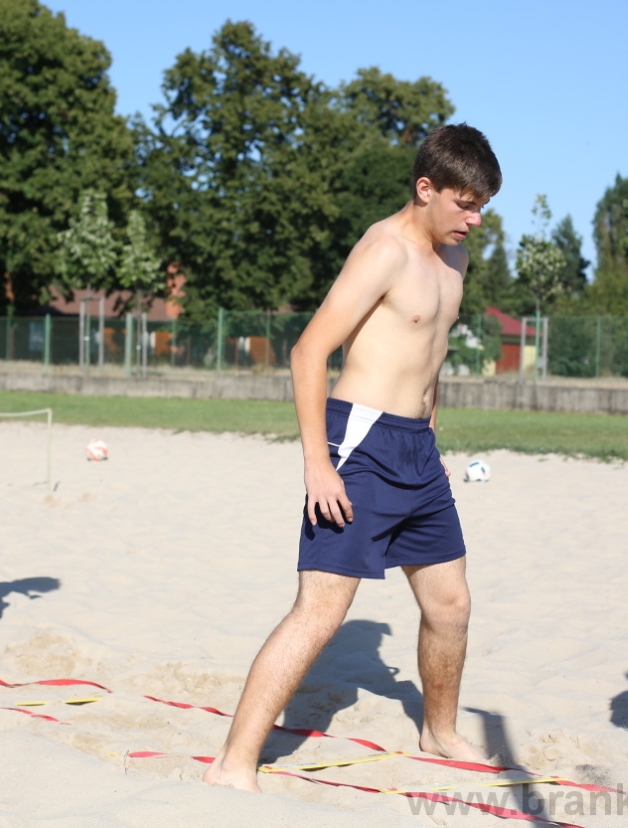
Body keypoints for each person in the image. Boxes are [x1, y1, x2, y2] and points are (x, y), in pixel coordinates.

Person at [204, 124, 501, 792]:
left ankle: (439, 730)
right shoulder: (384, 249)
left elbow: (430, 353)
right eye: (465, 203)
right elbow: (309, 351)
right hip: (358, 448)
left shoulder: (454, 257)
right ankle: (234, 764)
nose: (475, 218)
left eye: (483, 205)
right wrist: (317, 463)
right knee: (319, 613)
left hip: (419, 453)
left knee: (450, 604)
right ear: (425, 189)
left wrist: (431, 427)